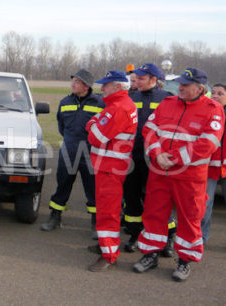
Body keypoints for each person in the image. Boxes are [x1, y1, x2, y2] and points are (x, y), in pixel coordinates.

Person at [133, 68, 224, 282]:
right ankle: (150, 254)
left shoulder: (213, 109)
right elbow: (149, 129)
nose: (180, 87)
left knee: (189, 218)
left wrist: (173, 157)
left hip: (190, 177)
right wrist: (156, 153)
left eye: (185, 84)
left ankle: (184, 261)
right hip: (159, 172)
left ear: (200, 89)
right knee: (154, 213)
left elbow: (208, 143)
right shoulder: (167, 103)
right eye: (180, 84)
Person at [41, 69, 104, 237]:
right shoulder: (65, 102)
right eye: (73, 81)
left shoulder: (100, 103)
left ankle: (96, 223)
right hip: (68, 151)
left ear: (86, 86)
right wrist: (71, 141)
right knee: (62, 185)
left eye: (77, 82)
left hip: (91, 153)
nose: (73, 84)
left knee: (93, 188)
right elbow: (61, 126)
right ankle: (54, 217)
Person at [85, 70, 137, 272]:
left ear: (117, 87)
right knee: (106, 209)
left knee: (108, 212)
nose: (101, 88)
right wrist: (96, 122)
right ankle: (105, 245)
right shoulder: (116, 106)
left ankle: (109, 255)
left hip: (110, 168)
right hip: (108, 166)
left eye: (105, 85)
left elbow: (95, 137)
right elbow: (99, 126)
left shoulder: (118, 109)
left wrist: (92, 124)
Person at [123, 63, 174, 253]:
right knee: (132, 197)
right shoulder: (131, 97)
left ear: (154, 80)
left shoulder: (167, 99)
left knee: (157, 200)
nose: (137, 82)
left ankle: (167, 238)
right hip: (132, 157)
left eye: (142, 79)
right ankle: (135, 235)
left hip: (155, 159)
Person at [201, 83, 226, 243]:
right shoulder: (205, 112)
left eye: (220, 93)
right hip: (209, 165)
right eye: (213, 93)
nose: (215, 95)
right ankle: (201, 238)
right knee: (205, 204)